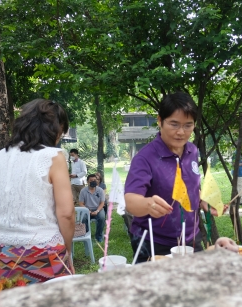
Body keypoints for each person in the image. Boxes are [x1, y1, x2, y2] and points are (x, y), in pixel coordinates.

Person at [124, 91, 226, 263]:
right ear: (160, 121)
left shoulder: (192, 150)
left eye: (188, 125)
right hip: (154, 242)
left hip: (191, 238)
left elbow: (191, 188)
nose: (181, 132)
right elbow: (131, 201)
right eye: (174, 124)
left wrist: (203, 201)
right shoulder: (145, 158)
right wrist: (148, 205)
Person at [0, 99, 75, 283]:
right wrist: (68, 250)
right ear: (54, 129)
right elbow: (66, 213)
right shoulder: (53, 157)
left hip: (2, 252)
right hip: (44, 252)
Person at [79, 174, 106, 243]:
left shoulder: (100, 190)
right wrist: (88, 211)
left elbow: (102, 203)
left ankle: (99, 236)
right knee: (84, 219)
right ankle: (87, 235)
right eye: (91, 181)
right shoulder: (83, 191)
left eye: (95, 180)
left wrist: (97, 211)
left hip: (98, 209)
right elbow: (81, 203)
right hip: (87, 209)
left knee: (102, 218)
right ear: (88, 182)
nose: (93, 182)